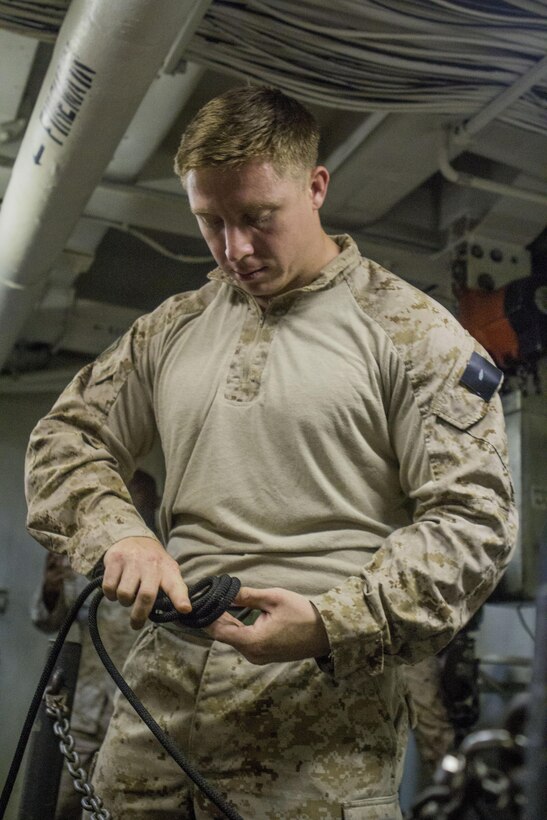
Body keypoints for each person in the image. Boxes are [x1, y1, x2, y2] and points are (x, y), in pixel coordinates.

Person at [25, 85, 517, 820]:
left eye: (257, 218)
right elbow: (66, 437)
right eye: (211, 221)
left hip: (315, 734)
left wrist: (331, 622)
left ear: (315, 187)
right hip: (155, 713)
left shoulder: (414, 335)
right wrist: (118, 532)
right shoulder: (172, 328)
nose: (235, 250)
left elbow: (473, 524)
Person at [30, 470, 159, 819]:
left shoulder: (166, 562)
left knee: (115, 809)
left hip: (136, 710)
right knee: (58, 803)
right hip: (81, 708)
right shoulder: (84, 560)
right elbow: (46, 620)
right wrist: (51, 589)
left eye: (142, 502)